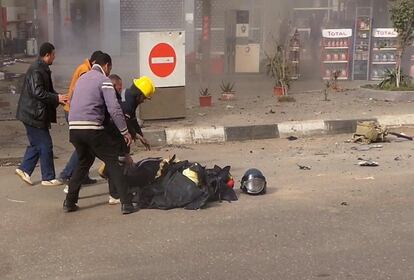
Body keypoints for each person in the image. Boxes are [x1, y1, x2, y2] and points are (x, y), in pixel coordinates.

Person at [63, 53, 137, 215]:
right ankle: (126, 203)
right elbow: (114, 108)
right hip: (91, 129)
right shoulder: (104, 81)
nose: (110, 72)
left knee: (84, 162)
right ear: (107, 66)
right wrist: (125, 131)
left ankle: (69, 201)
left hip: (74, 129)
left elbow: (72, 100)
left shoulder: (82, 78)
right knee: (113, 161)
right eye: (110, 69)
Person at [15, 42, 68, 186]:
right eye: (53, 54)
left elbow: (48, 91)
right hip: (33, 114)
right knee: (45, 144)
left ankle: (24, 169)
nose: (54, 57)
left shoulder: (42, 68)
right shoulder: (37, 70)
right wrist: (56, 98)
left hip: (33, 113)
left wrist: (60, 98)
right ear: (47, 55)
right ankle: (48, 178)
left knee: (36, 144)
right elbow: (38, 92)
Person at [101, 74, 155, 205]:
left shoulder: (129, 96)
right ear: (140, 94)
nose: (144, 101)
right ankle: (114, 195)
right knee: (118, 161)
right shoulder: (128, 103)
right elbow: (123, 126)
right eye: (144, 98)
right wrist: (126, 153)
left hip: (114, 129)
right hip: (111, 131)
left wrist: (140, 135)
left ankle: (115, 182)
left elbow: (132, 120)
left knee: (118, 161)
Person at [59, 50, 104, 184]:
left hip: (74, 110)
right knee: (83, 147)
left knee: (85, 147)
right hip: (75, 111)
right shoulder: (85, 71)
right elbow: (88, 92)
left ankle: (82, 175)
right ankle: (67, 173)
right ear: (95, 62)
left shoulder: (85, 68)